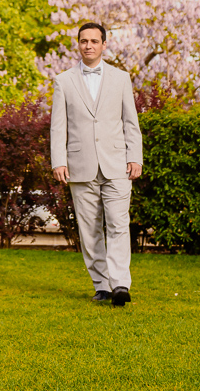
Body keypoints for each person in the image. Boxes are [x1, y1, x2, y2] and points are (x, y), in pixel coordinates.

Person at [50, 21, 143, 307]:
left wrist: (134, 156)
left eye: (93, 41)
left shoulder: (121, 78)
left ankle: (120, 284)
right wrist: (59, 160)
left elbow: (130, 122)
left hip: (117, 164)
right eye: (83, 41)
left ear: (104, 44)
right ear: (78, 45)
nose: (88, 45)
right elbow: (58, 126)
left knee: (118, 223)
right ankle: (101, 285)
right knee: (89, 229)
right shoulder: (63, 81)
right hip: (80, 165)